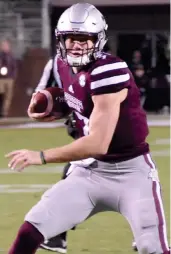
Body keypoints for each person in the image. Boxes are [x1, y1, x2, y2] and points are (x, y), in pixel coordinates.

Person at [6, 3, 170, 254]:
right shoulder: (59, 65)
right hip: (89, 172)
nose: (77, 45)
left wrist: (41, 156)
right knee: (30, 231)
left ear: (99, 40)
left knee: (153, 249)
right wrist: (47, 106)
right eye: (71, 38)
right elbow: (48, 102)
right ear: (61, 39)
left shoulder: (108, 70)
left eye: (85, 39)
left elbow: (98, 143)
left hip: (132, 174)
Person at [0, 39, 17, 117]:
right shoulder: (1, 56)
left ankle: (4, 113)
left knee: (8, 96)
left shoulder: (11, 56)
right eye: (3, 46)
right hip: (1, 78)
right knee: (1, 94)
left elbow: (14, 67)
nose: (5, 47)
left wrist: (13, 76)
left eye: (6, 45)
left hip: (10, 78)